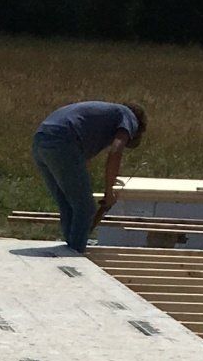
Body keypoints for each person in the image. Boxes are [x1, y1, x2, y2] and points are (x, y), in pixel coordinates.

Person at [30, 100, 148, 254]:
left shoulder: (104, 118)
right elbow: (115, 152)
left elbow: (81, 162)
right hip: (63, 141)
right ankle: (75, 255)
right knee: (85, 208)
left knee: (68, 204)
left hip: (41, 140)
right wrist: (108, 191)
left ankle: (71, 246)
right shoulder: (128, 116)